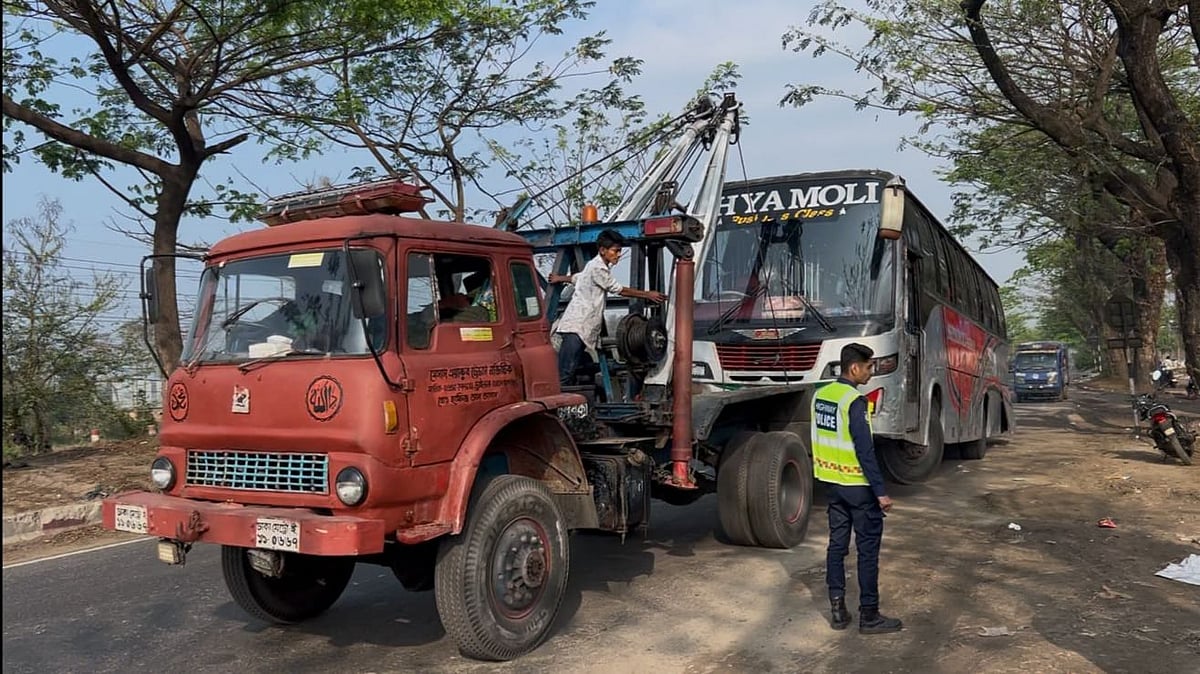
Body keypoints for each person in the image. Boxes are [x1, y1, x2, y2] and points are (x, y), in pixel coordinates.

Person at [811, 342, 903, 634]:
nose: (871, 372)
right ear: (854, 367)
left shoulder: (821, 397)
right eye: (869, 366)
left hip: (832, 485)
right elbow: (865, 451)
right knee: (867, 552)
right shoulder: (854, 401)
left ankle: (837, 610)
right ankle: (869, 615)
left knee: (836, 546)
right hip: (859, 489)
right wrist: (880, 492)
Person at [548, 228, 668, 386]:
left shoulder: (592, 266)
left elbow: (578, 277)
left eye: (619, 251)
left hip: (578, 326)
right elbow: (618, 289)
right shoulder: (598, 268)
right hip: (578, 326)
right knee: (565, 373)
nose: (618, 255)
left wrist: (560, 278)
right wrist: (648, 294)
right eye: (615, 251)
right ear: (603, 250)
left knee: (574, 368)